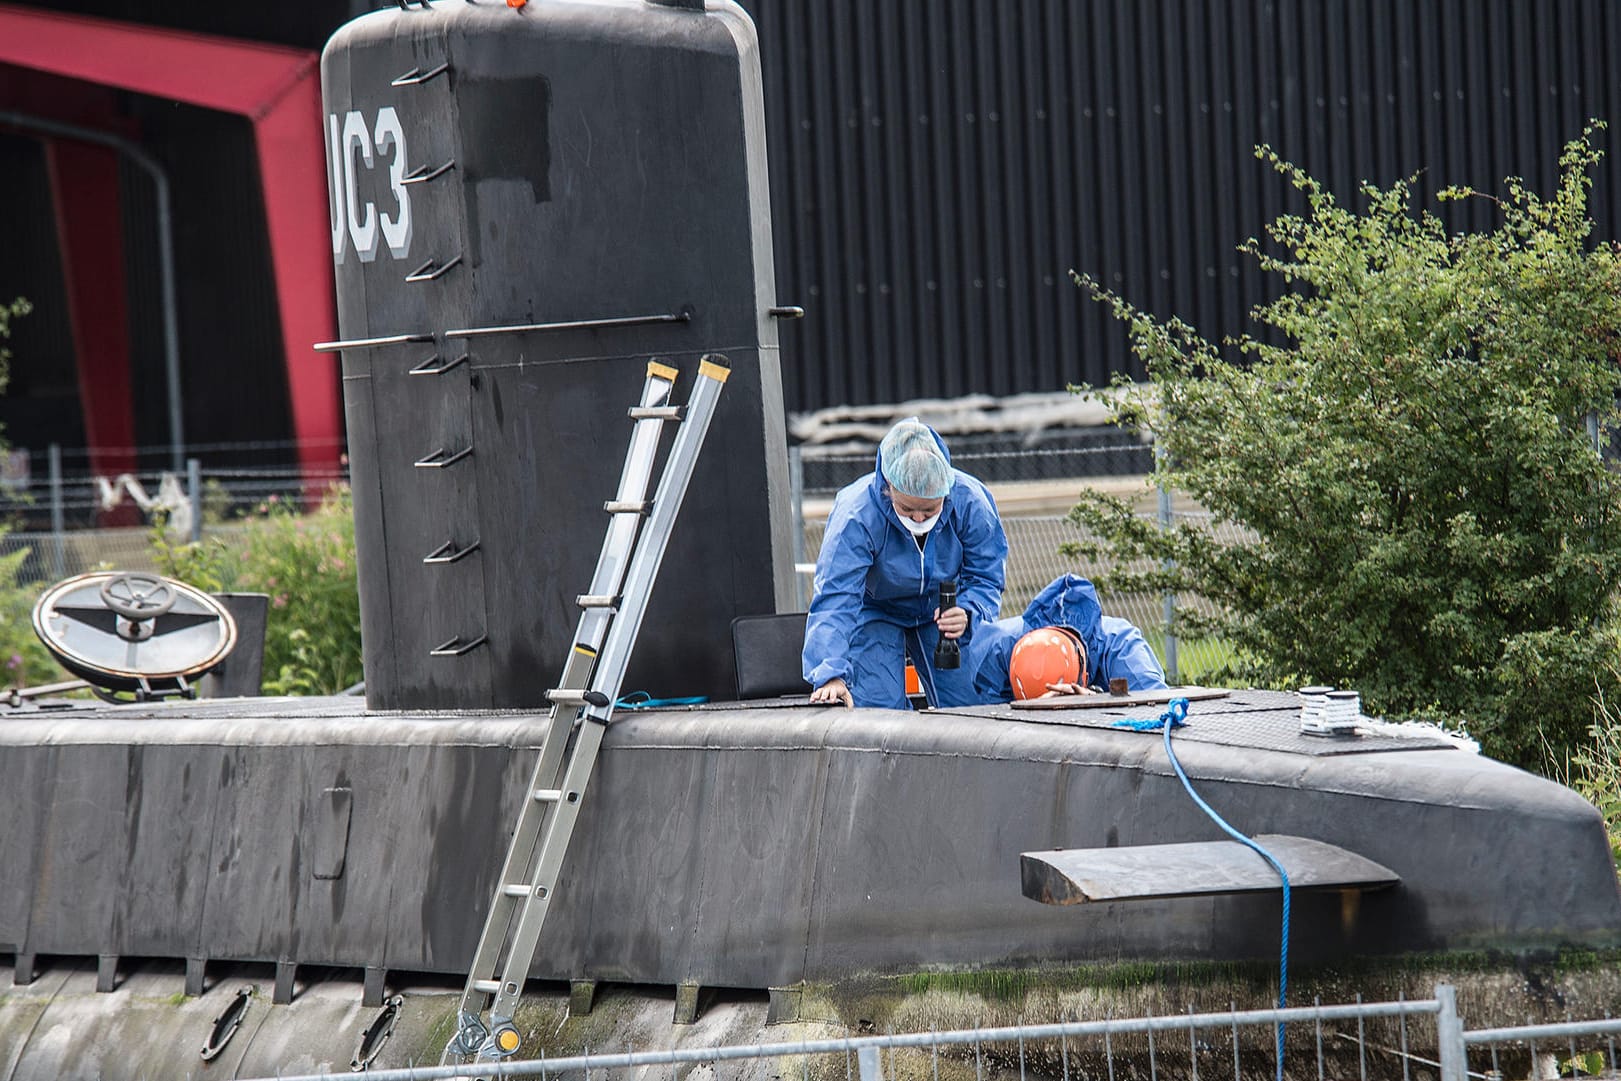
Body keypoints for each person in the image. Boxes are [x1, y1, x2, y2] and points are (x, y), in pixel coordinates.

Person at [804, 417, 1008, 709]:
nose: (919, 518)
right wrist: (830, 673)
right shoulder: (856, 515)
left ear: (946, 493)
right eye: (908, 508)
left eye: (929, 508)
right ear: (888, 487)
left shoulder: (971, 502)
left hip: (944, 610)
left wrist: (970, 611)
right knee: (878, 710)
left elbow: (986, 577)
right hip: (875, 610)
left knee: (972, 704)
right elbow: (837, 596)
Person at [966, 573, 1167, 701]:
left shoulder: (1122, 648)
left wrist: (1095, 701)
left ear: (1085, 676)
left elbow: (1157, 710)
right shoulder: (999, 650)